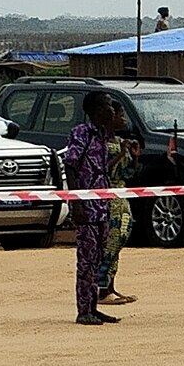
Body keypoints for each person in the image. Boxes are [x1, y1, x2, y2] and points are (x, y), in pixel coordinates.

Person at [60, 89, 121, 326]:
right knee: (86, 261)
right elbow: (71, 166)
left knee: (97, 260)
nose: (112, 110)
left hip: (101, 207)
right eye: (108, 105)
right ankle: (83, 310)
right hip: (86, 208)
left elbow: (101, 169)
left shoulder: (103, 135)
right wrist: (76, 202)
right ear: (96, 110)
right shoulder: (81, 133)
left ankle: (93, 307)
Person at [97, 121, 139, 307]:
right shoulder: (100, 143)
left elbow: (128, 174)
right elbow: (102, 171)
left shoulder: (120, 140)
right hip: (108, 198)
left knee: (118, 243)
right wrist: (121, 153)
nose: (123, 118)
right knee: (110, 244)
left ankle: (110, 287)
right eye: (119, 114)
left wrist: (134, 157)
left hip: (121, 197)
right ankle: (102, 290)